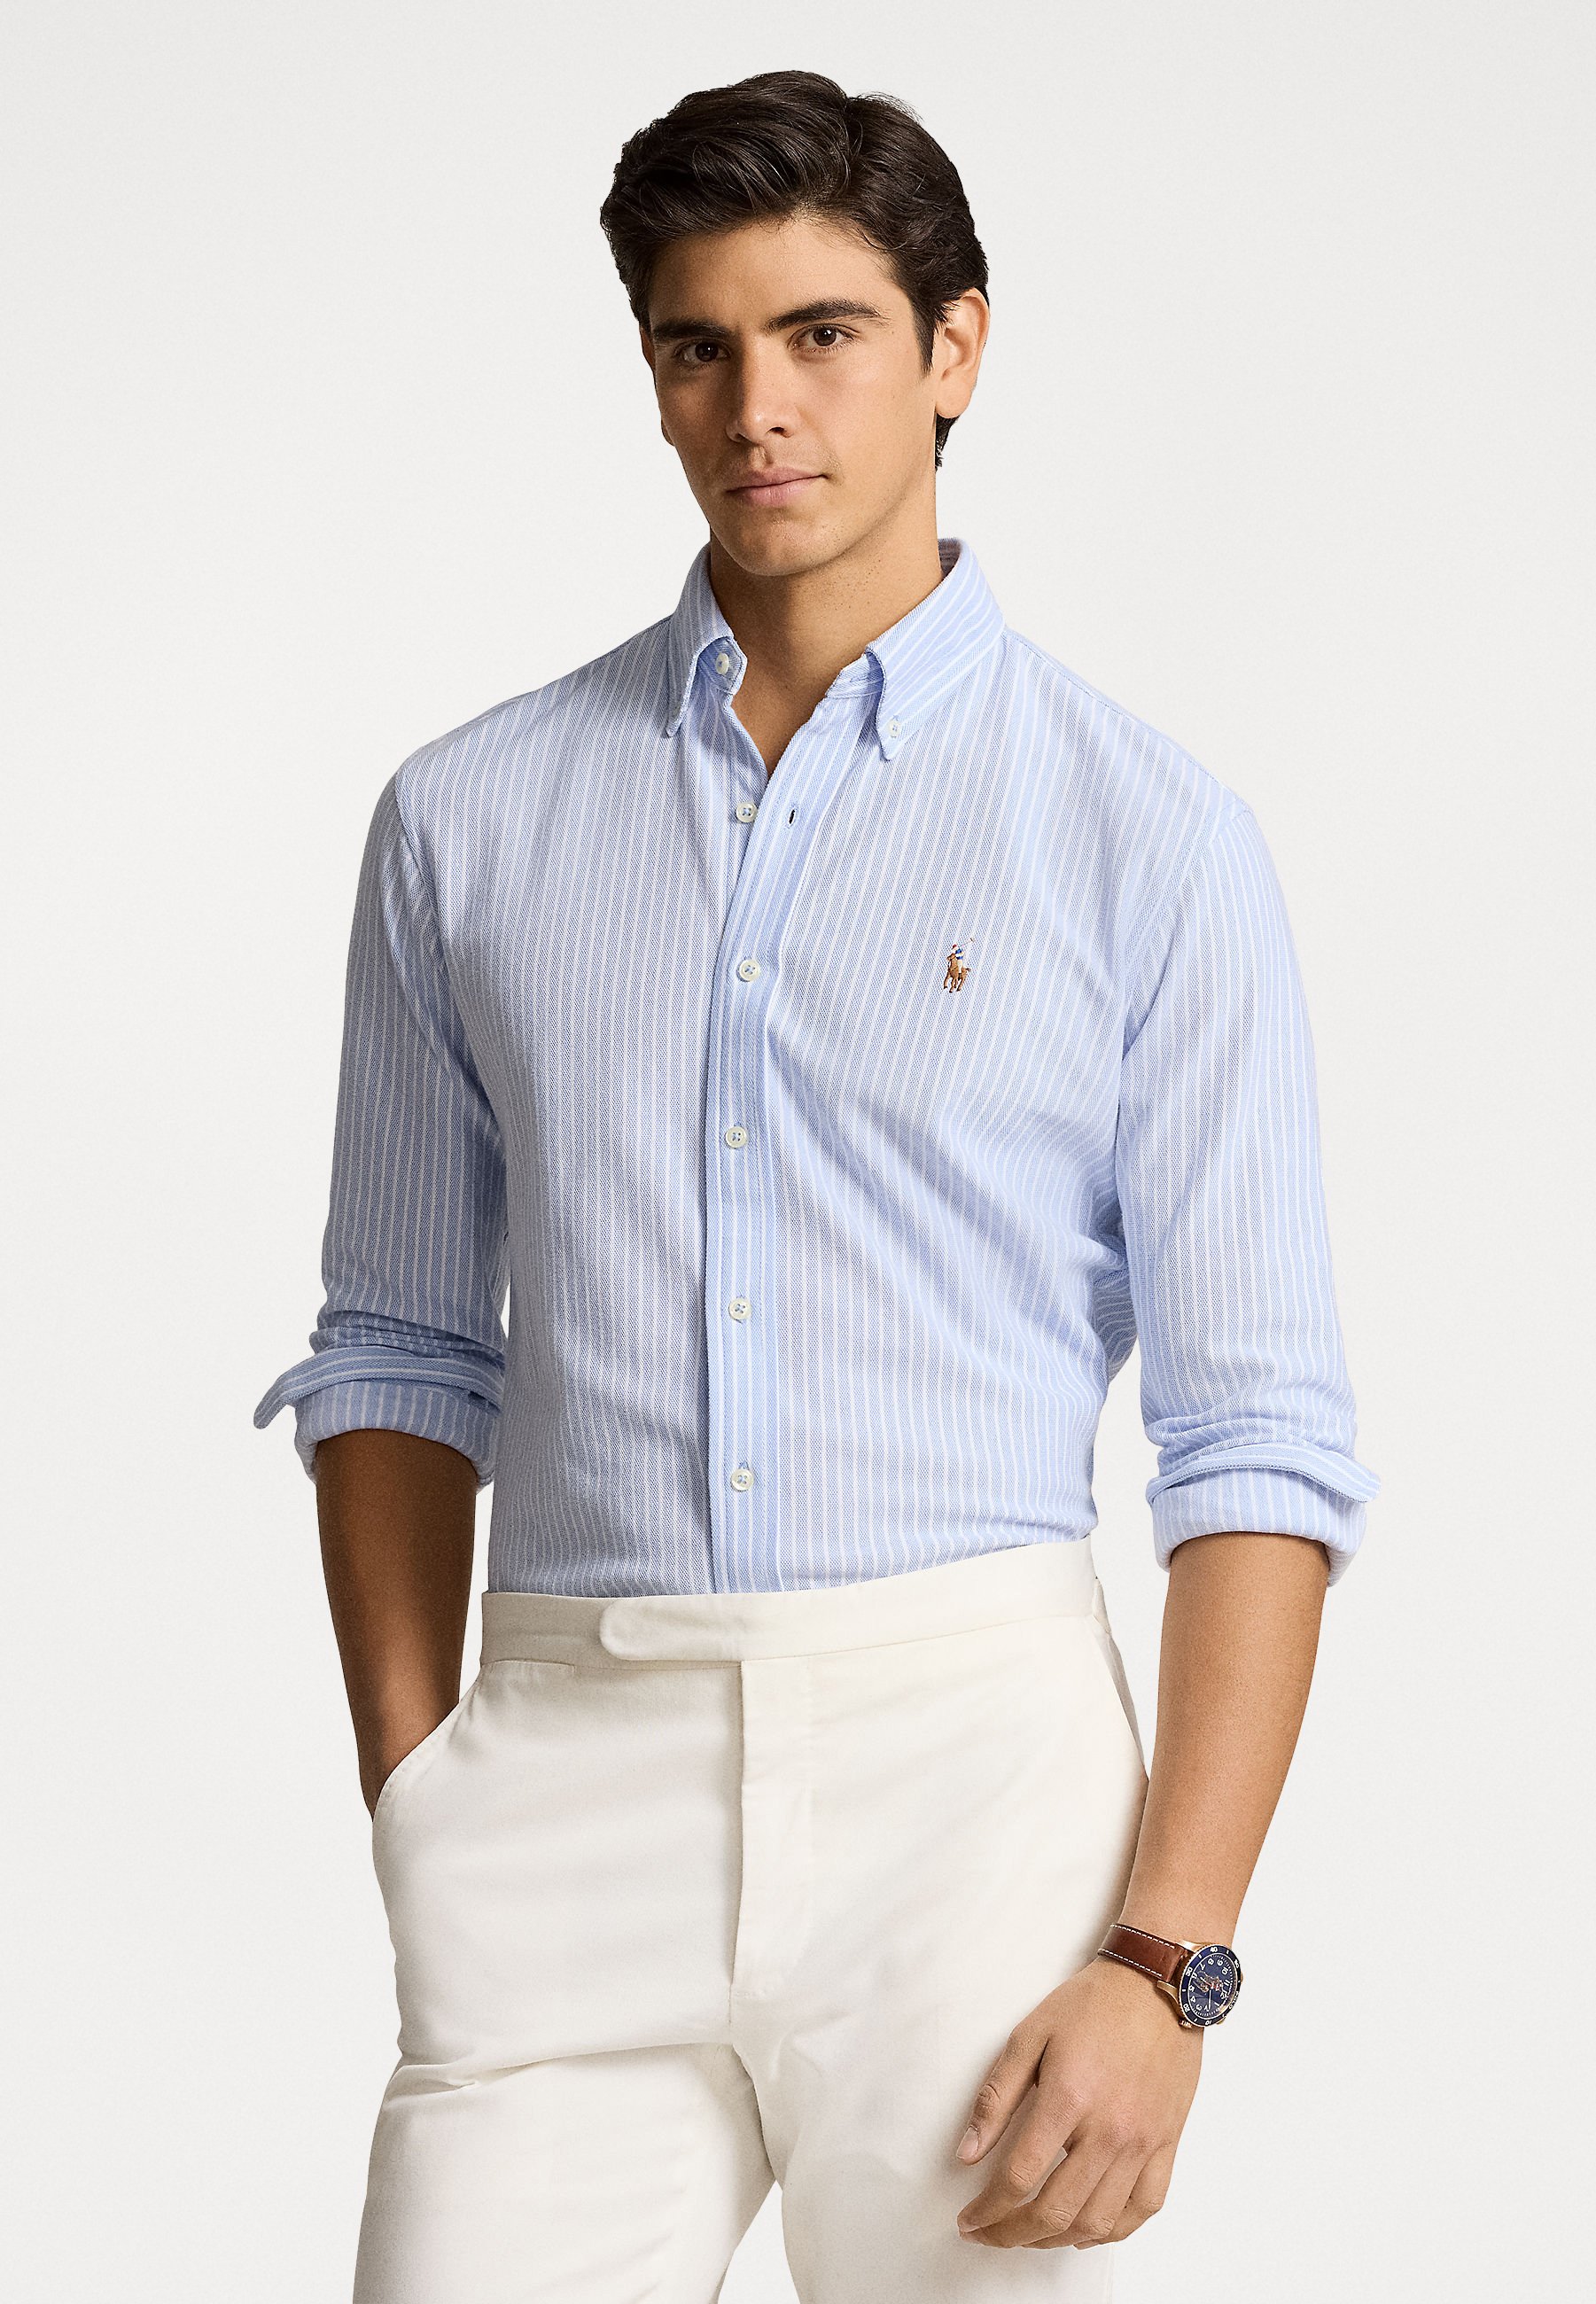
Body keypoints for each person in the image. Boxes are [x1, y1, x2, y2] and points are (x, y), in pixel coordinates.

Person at [253, 67, 1379, 2302]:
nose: (756, 407)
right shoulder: (468, 820)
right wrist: (418, 1788)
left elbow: (1255, 1435)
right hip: (560, 1778)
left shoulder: (1144, 838)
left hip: (976, 1797)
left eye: (823, 334)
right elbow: (396, 1344)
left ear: (955, 348)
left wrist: (1168, 1959)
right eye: (698, 345)